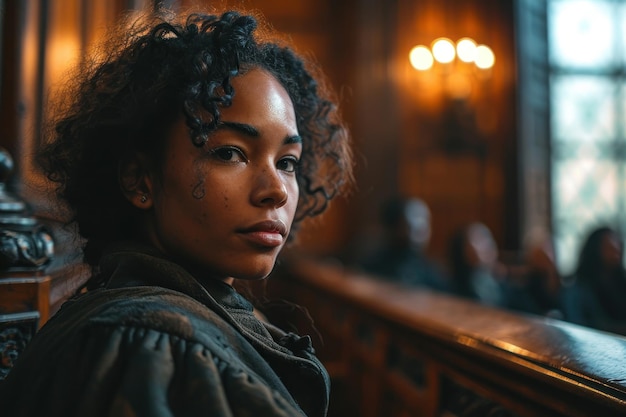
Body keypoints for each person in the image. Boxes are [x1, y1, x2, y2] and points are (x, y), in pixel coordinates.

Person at [0, 7, 353, 417]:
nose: (275, 190)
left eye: (287, 161)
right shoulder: (152, 346)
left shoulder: (174, 317)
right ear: (140, 180)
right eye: (229, 153)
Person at [358, 196, 448, 291]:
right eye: (411, 224)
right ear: (395, 226)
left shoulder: (431, 274)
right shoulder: (372, 267)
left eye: (425, 222)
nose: (421, 229)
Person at [561, 226, 626, 335]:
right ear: (595, 249)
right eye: (608, 247)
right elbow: (578, 326)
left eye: (617, 245)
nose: (615, 250)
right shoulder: (577, 289)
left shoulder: (620, 282)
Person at [445, 222, 506, 307]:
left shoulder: (503, 285)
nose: (487, 245)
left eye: (488, 238)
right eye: (479, 240)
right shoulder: (452, 291)